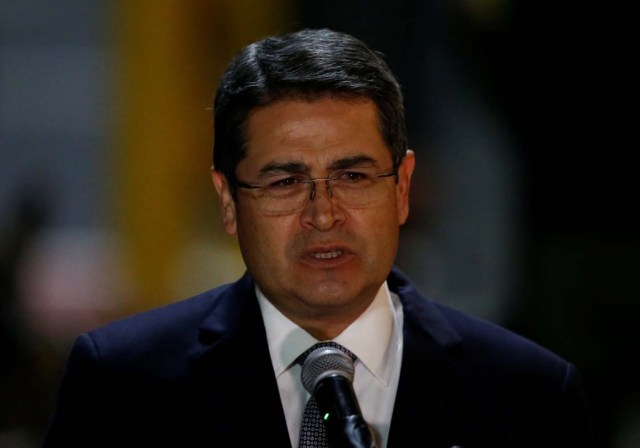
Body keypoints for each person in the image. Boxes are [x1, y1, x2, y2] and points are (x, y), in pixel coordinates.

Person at [41, 28, 594, 447]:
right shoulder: (120, 385)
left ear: (402, 188)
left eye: (353, 177)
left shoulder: (530, 394)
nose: (323, 216)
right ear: (229, 201)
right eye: (285, 181)